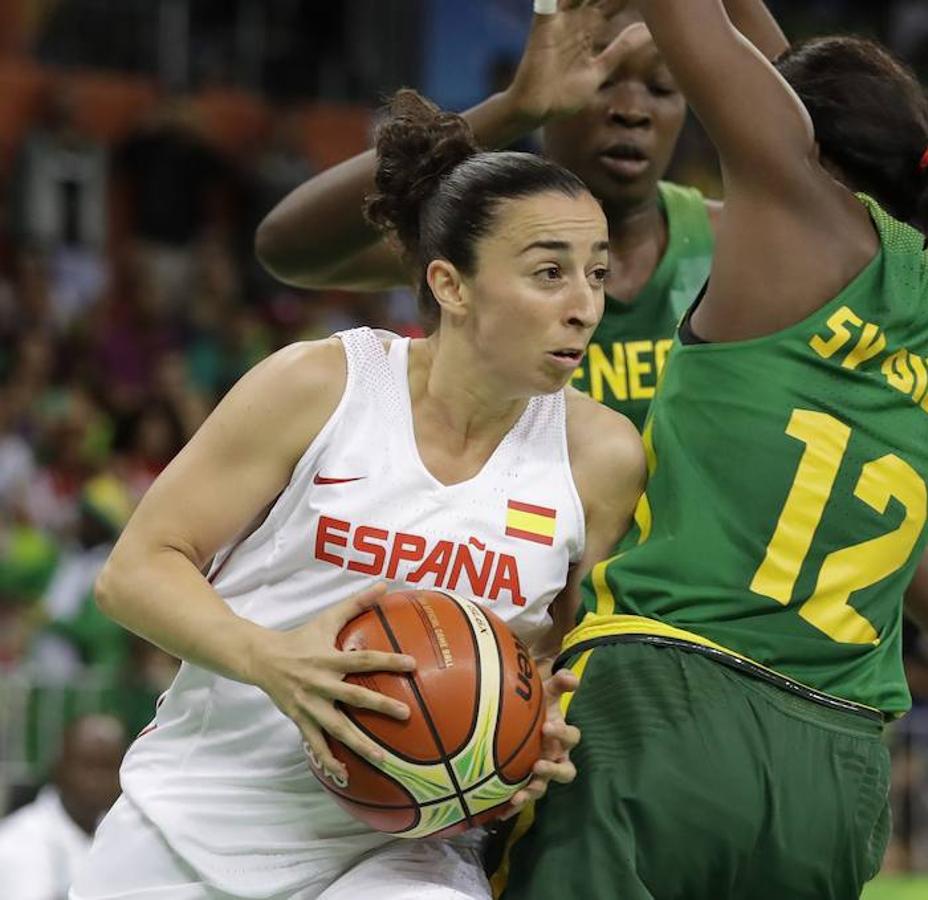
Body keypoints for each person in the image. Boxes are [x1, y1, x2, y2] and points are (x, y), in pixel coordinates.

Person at [256, 0, 928, 813]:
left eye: (662, 85)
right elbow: (291, 247)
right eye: (604, 78)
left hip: (666, 687)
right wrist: (515, 105)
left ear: (698, 110)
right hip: (497, 664)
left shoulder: (763, 251)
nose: (631, 107)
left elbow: (829, 486)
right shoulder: (501, 247)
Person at [493, 1, 928, 898]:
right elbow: (810, 101)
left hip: (667, 702)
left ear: (802, 144)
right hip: (837, 770)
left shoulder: (794, 215)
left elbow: (740, 72)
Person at [69, 90, 644, 900]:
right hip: (196, 819)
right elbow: (133, 573)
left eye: (593, 273)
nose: (584, 306)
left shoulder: (602, 455)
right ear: (450, 284)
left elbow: (561, 653)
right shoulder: (319, 385)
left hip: (407, 851)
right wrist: (271, 661)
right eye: (548, 273)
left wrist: (534, 724)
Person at [0, 714, 126, 900]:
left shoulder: (123, 835)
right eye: (88, 766)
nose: (97, 782)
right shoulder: (16, 843)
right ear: (59, 768)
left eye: (109, 767)